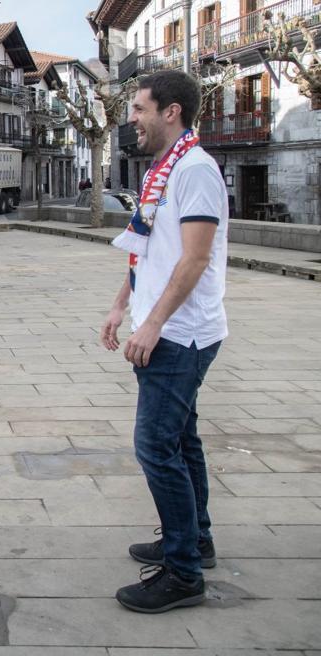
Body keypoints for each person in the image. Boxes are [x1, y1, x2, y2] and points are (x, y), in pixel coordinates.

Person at [101, 70, 228, 613]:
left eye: (139, 108)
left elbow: (194, 258)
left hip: (180, 335)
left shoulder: (194, 170)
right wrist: (120, 305)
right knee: (182, 440)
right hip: (170, 328)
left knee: (155, 446)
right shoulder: (164, 170)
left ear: (170, 111)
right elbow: (149, 249)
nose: (132, 118)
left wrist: (151, 325)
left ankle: (183, 572)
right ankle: (195, 539)